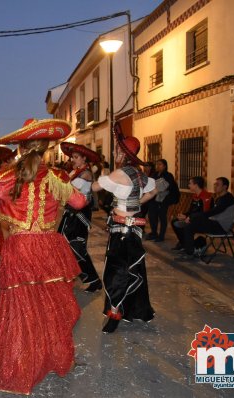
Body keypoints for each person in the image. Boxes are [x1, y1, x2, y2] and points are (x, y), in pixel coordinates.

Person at [0, 119, 85, 394]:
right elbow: (80, 203)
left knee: (22, 307)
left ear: (21, 147)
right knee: (51, 305)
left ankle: (21, 365)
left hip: (20, 247)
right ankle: (53, 358)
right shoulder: (57, 177)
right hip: (49, 247)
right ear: (47, 148)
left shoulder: (7, 175)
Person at [91, 123, 157, 333]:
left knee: (116, 273)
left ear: (122, 152)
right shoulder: (140, 174)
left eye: (117, 149)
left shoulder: (120, 174)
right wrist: (137, 203)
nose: (114, 152)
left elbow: (95, 187)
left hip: (123, 232)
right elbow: (153, 191)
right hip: (133, 230)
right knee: (132, 270)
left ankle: (115, 313)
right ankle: (135, 310)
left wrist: (96, 172)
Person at [58, 142, 102, 293]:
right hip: (70, 214)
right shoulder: (76, 172)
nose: (73, 160)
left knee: (77, 248)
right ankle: (71, 276)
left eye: (76, 157)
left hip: (79, 215)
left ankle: (93, 280)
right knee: (65, 246)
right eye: (72, 157)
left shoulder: (85, 174)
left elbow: (69, 191)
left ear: (84, 158)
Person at [179, 177, 234, 259]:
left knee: (189, 226)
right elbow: (210, 213)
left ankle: (190, 252)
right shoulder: (221, 197)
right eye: (214, 184)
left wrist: (192, 217)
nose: (215, 186)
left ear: (225, 187)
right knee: (189, 224)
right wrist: (191, 217)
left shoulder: (227, 199)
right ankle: (191, 248)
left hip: (221, 227)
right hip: (215, 223)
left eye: (217, 184)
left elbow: (212, 212)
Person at [170, 176, 212, 251]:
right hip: (194, 218)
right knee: (174, 221)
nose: (188, 185)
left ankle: (189, 248)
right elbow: (191, 211)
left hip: (203, 221)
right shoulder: (195, 196)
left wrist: (188, 217)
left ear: (196, 185)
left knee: (186, 226)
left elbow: (204, 213)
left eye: (190, 183)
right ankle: (184, 244)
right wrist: (184, 215)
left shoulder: (206, 197)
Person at [146, 159, 179, 242]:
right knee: (152, 215)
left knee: (162, 216)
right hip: (154, 198)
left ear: (164, 166)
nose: (158, 166)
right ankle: (154, 233)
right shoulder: (155, 174)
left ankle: (161, 236)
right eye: (157, 164)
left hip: (164, 199)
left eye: (160, 164)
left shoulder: (168, 175)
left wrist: (159, 187)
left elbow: (168, 186)